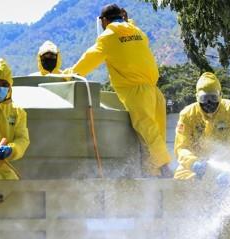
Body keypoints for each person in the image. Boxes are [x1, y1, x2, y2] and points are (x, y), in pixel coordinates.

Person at [64, 3, 171, 177]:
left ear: (104, 21)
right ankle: (155, 173)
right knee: (155, 133)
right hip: (154, 90)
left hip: (134, 92)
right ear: (122, 16)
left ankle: (164, 168)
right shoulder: (137, 31)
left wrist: (69, 74)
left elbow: (89, 59)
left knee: (147, 130)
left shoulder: (108, 37)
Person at [174, 72, 230, 180]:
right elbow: (181, 147)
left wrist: (229, 168)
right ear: (197, 97)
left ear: (220, 95)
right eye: (204, 98)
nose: (209, 103)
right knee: (179, 181)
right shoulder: (187, 114)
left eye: (213, 98)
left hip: (223, 165)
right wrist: (193, 163)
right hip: (194, 165)